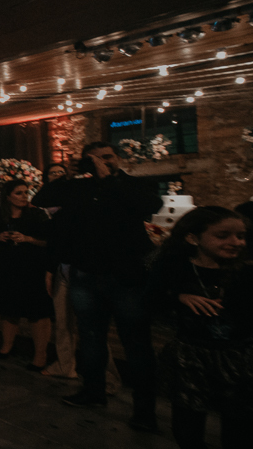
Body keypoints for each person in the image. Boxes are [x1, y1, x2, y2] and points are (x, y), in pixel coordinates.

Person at [149, 207, 253, 449]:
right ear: (194, 238)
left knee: (239, 440)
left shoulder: (251, 271)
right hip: (191, 357)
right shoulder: (175, 267)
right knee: (185, 431)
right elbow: (151, 299)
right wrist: (178, 296)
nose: (235, 242)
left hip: (240, 359)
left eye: (240, 235)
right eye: (223, 235)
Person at [33, 141, 162, 431]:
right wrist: (66, 176)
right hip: (86, 275)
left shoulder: (134, 184)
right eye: (95, 160)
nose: (102, 163)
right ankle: (93, 392)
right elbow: (41, 199)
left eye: (107, 157)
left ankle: (144, 411)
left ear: (117, 158)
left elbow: (150, 207)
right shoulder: (78, 187)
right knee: (91, 339)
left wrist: (110, 179)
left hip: (126, 277)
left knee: (137, 345)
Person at [0, 180, 53, 370]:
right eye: (19, 193)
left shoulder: (37, 214)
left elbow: (50, 241)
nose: (24, 196)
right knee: (8, 307)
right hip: (7, 265)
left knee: (37, 311)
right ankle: (7, 346)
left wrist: (28, 239)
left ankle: (40, 354)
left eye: (26, 192)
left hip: (32, 266)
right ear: (8, 196)